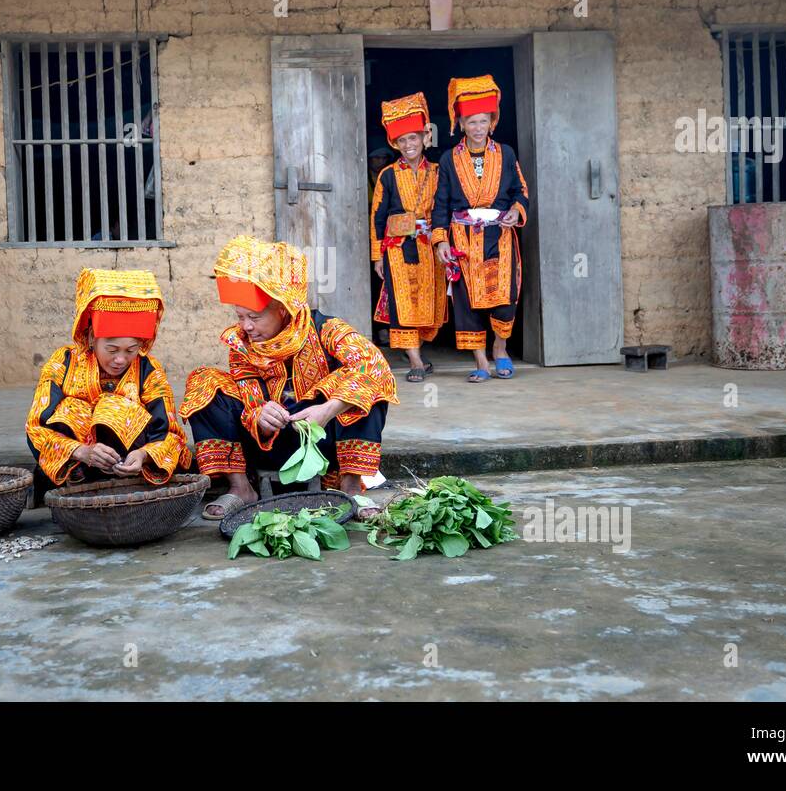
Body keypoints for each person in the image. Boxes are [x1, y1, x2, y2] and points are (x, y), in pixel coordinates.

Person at [180, 235, 398, 520]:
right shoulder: (242, 343)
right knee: (204, 381)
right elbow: (249, 396)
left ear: (282, 309)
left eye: (254, 317)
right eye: (240, 315)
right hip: (270, 444)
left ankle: (351, 486)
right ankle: (241, 487)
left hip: (323, 443)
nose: (246, 326)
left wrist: (327, 409)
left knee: (365, 380)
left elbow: (375, 366)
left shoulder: (327, 330)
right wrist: (259, 415)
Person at [25, 268, 191, 501]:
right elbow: (36, 426)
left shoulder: (148, 369)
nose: (121, 359)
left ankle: (122, 481)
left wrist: (143, 455)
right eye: (111, 350)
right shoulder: (63, 362)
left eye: (130, 350)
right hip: (78, 463)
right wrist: (82, 452)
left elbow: (171, 432)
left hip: (126, 462)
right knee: (72, 409)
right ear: (92, 337)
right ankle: (77, 480)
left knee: (114, 408)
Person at [430, 74, 529, 382]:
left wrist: (516, 210)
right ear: (461, 124)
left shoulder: (507, 153)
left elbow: (521, 190)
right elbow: (441, 203)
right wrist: (440, 241)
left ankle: (500, 349)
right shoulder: (449, 159)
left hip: (499, 237)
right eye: (471, 122)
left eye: (482, 121)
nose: (477, 128)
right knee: (467, 301)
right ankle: (481, 362)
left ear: (492, 123)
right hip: (462, 238)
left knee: (504, 298)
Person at [371, 91, 448, 383]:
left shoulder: (439, 172)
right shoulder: (388, 175)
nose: (408, 145)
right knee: (402, 303)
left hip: (430, 247)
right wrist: (377, 254)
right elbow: (377, 217)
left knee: (428, 301)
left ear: (424, 138)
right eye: (402, 141)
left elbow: (445, 207)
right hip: (398, 249)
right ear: (395, 144)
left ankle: (418, 349)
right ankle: (414, 359)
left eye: (413, 138)